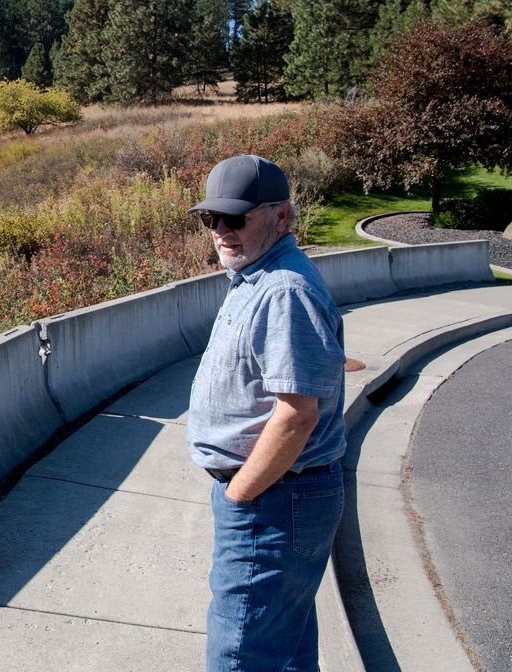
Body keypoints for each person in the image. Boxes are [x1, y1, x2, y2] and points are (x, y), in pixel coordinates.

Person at [186, 154, 347, 672]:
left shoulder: (283, 290)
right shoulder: (256, 277)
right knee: (286, 647)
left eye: (237, 217)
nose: (221, 231)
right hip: (277, 495)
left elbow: (297, 414)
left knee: (239, 656)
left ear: (282, 217)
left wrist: (240, 493)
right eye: (211, 219)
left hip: (273, 500)